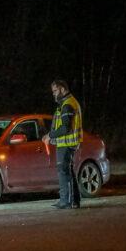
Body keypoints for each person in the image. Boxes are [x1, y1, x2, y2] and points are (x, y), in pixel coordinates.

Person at [42, 79, 83, 209]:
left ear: (63, 89)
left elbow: (65, 128)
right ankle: (74, 201)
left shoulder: (67, 105)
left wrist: (50, 135)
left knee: (63, 171)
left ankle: (66, 201)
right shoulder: (68, 103)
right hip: (68, 143)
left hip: (66, 143)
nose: (53, 94)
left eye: (55, 90)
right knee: (68, 171)